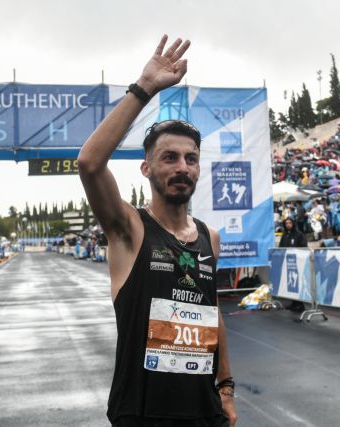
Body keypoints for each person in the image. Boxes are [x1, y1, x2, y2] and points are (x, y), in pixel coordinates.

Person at [77, 36, 236, 426]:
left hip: (205, 413)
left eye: (191, 158)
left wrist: (226, 388)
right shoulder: (129, 229)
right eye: (170, 157)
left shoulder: (210, 237)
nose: (182, 166)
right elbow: (90, 164)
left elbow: (212, 313)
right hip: (143, 413)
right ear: (146, 168)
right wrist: (145, 87)